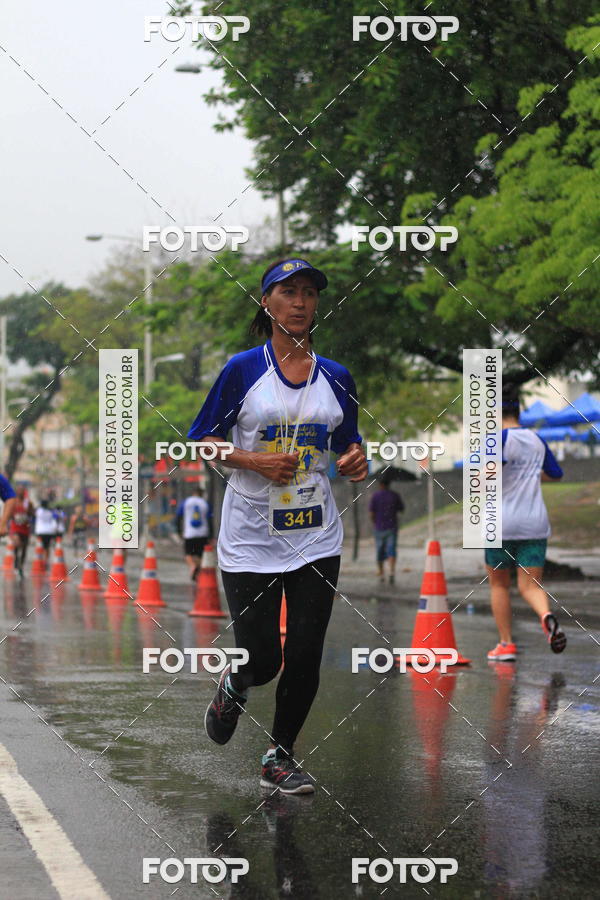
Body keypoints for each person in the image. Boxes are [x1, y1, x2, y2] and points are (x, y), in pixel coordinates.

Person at [189, 257, 367, 794]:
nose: (300, 301)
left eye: (309, 292)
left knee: (307, 652)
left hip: (315, 534)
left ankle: (280, 756)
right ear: (265, 303)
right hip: (249, 537)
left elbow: (349, 442)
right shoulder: (243, 370)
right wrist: (254, 461)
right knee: (264, 659)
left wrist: (358, 459)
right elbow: (202, 439)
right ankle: (235, 685)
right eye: (288, 291)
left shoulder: (336, 376)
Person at [485, 386, 566, 661]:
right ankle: (546, 616)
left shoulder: (495, 440)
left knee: (499, 585)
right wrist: (528, 477)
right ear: (519, 410)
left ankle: (505, 644)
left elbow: (487, 476)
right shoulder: (536, 440)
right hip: (534, 522)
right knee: (530, 585)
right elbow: (556, 475)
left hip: (501, 523)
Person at [368, 472, 404, 584]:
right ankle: (392, 572)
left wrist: (375, 522)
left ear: (380, 484)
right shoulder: (395, 495)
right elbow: (401, 509)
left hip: (379, 528)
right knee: (391, 550)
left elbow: (371, 514)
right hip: (392, 527)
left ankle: (381, 573)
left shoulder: (375, 496)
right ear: (389, 484)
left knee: (379, 551)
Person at [176, 486, 211, 581]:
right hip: (203, 534)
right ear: (202, 494)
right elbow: (209, 519)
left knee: (188, 553)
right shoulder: (205, 503)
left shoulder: (186, 502)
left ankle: (192, 566)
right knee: (200, 555)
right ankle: (198, 571)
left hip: (189, 534)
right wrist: (211, 536)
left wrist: (179, 531)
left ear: (193, 493)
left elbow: (178, 516)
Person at [8, 484, 34, 576]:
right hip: (15, 526)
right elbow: (9, 513)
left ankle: (21, 566)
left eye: (22, 491)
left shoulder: (28, 503)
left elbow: (32, 514)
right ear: (16, 492)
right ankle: (16, 559)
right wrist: (13, 518)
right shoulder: (13, 502)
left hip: (25, 528)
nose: (21, 492)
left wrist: (28, 512)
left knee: (24, 548)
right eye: (19, 490)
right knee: (17, 543)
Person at [34, 499, 57, 564]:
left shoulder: (38, 511)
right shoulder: (51, 511)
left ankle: (39, 560)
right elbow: (55, 518)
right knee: (47, 547)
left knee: (40, 546)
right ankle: (46, 560)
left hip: (40, 531)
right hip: (49, 531)